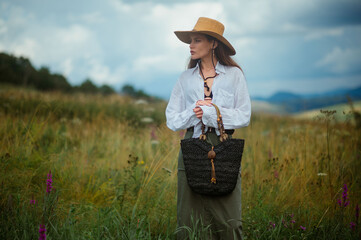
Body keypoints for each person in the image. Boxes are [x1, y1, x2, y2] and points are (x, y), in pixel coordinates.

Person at [166, 17, 251, 239]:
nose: (191, 46)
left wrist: (213, 112)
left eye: (197, 40)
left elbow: (244, 115)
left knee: (229, 220)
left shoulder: (234, 75)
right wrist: (194, 111)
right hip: (192, 143)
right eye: (190, 41)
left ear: (213, 43)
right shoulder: (185, 78)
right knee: (188, 217)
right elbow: (172, 119)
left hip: (223, 145)